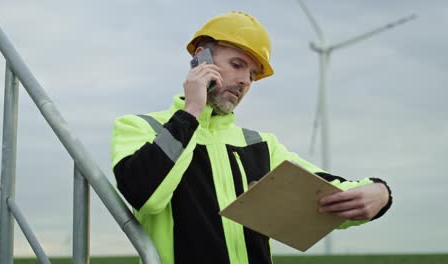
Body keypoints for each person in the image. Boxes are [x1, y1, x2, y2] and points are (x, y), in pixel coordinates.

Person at [111, 11, 392, 264]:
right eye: (237, 64)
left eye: (253, 75)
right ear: (201, 57)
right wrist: (191, 111)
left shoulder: (260, 145)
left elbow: (329, 193)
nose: (245, 81)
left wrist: (380, 192)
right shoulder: (140, 127)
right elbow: (145, 195)